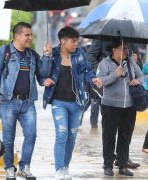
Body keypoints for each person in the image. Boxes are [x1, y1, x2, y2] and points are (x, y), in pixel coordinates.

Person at [0, 22, 52, 180]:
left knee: (31, 135)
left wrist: (47, 55)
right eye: (27, 35)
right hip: (8, 102)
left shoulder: (32, 55)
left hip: (28, 102)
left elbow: (42, 73)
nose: (30, 38)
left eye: (31, 35)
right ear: (17, 35)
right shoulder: (3, 52)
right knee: (8, 139)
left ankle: (24, 167)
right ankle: (10, 168)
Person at [39, 26, 101, 180]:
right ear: (62, 40)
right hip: (59, 102)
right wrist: (46, 56)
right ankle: (59, 169)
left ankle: (65, 167)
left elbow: (87, 70)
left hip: (77, 102)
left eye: (77, 41)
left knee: (72, 137)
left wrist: (93, 78)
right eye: (73, 41)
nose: (76, 44)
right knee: (62, 134)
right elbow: (42, 74)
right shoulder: (52, 54)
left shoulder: (79, 53)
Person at [86, 39, 141, 169]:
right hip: (110, 105)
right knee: (109, 136)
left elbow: (141, 74)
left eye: (127, 48)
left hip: (129, 105)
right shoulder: (104, 63)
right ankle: (108, 165)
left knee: (125, 136)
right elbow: (101, 79)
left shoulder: (130, 61)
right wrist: (114, 75)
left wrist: (138, 80)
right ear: (114, 50)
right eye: (124, 49)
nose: (126, 51)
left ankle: (122, 165)